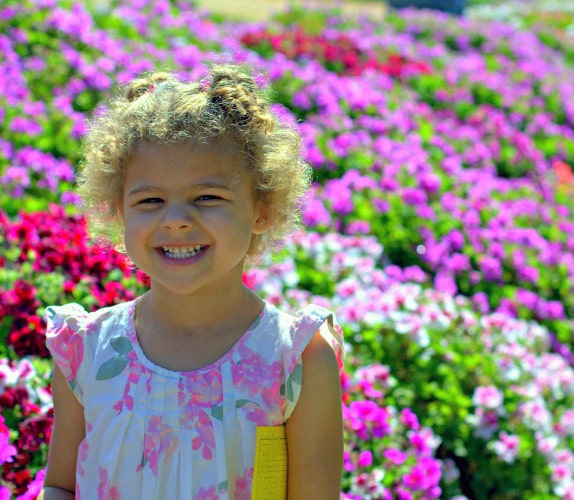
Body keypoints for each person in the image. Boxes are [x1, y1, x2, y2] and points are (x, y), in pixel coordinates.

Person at [40, 64, 345, 499]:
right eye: (151, 200)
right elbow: (61, 486)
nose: (177, 220)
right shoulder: (86, 349)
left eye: (207, 197)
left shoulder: (295, 358)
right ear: (120, 210)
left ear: (263, 208)